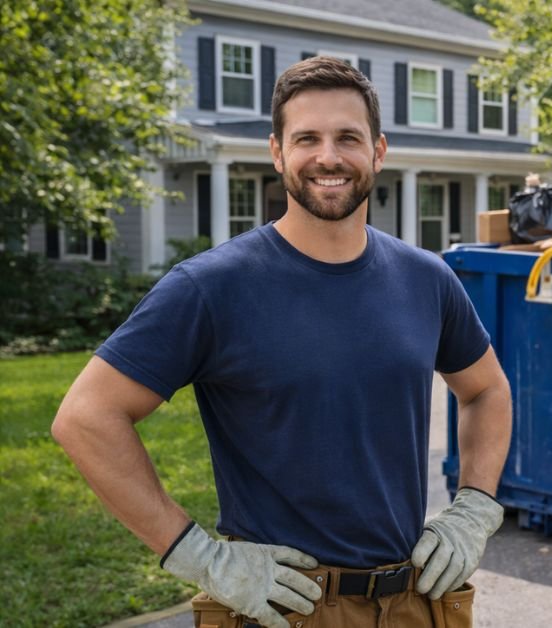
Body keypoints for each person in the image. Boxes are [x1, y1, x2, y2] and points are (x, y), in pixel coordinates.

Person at [51, 56, 512, 628]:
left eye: (348, 137)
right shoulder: (212, 287)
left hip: (412, 603)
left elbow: (486, 389)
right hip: (279, 608)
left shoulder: (426, 278)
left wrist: (474, 508)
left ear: (378, 151)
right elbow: (86, 418)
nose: (328, 156)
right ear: (277, 152)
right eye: (307, 138)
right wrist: (200, 556)